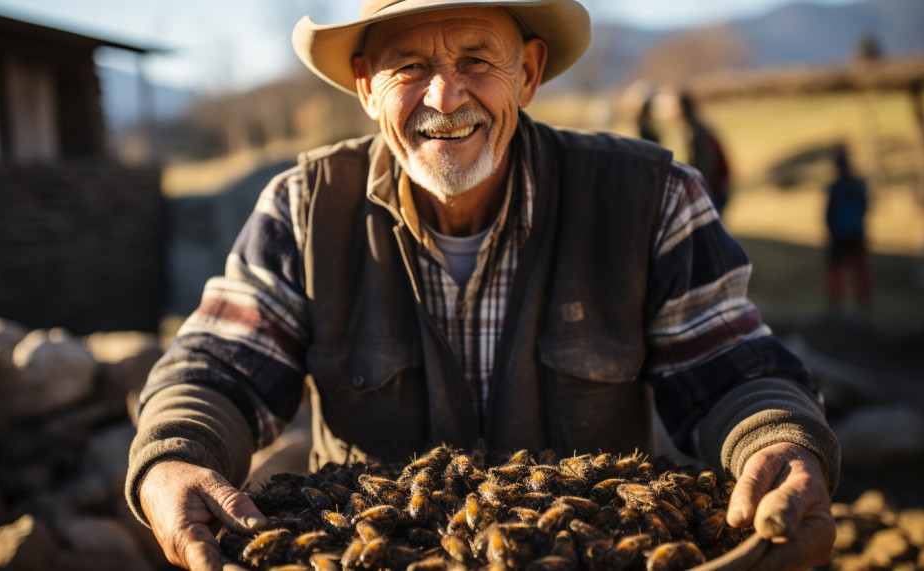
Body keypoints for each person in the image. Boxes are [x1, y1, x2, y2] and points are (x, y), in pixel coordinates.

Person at [126, 2, 839, 570]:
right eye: (410, 67)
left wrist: (779, 440)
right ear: (367, 86)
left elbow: (729, 371)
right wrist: (175, 453)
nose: (445, 96)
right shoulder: (302, 210)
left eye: (475, 60)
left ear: (528, 73)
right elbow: (221, 367)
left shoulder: (652, 197)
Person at [825, 146, 871, 311]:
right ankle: (863, 302)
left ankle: (836, 305)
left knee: (836, 270)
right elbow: (865, 208)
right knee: (859, 269)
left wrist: (830, 230)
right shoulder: (859, 185)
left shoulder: (835, 187)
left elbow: (828, 213)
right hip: (856, 233)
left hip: (838, 236)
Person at [679, 91, 732, 214]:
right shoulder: (697, 128)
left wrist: (696, 190)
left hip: (714, 191)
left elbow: (705, 166)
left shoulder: (697, 133)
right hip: (715, 189)